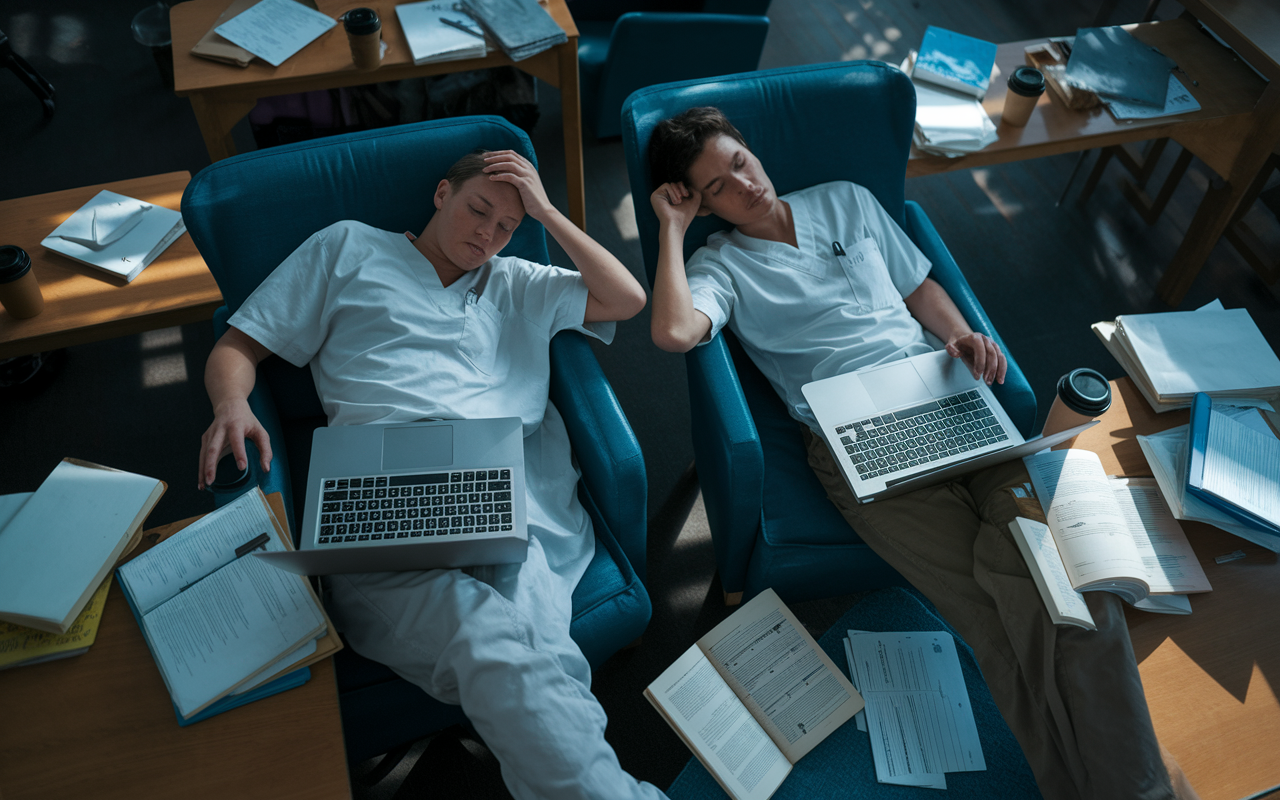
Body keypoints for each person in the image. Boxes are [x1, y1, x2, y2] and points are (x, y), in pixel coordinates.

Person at [646, 107, 1197, 800]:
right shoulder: (718, 264)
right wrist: (669, 228)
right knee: (996, 624)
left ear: (752, 152)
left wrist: (962, 336)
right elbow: (672, 331)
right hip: (856, 442)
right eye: (717, 187)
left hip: (949, 399)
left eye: (740, 163)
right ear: (699, 204)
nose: (743, 185)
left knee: (1075, 592)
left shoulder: (846, 199)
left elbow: (919, 289)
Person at [197, 149, 665, 800]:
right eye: (478, 209)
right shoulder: (348, 248)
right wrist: (231, 404)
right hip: (379, 482)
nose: (487, 234)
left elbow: (628, 297)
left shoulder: (517, 281)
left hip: (501, 494)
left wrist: (548, 213)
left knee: (526, 650)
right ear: (443, 192)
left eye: (506, 225)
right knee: (506, 645)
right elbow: (238, 343)